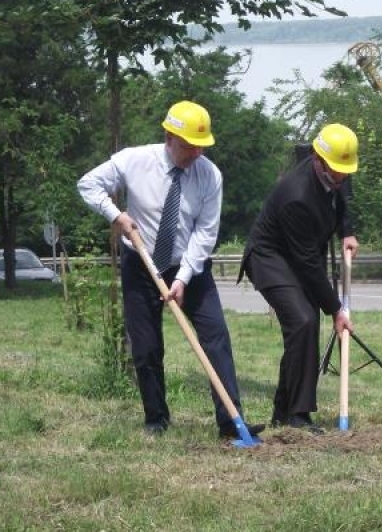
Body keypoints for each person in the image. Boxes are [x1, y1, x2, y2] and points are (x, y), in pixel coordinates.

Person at [77, 100, 263, 440]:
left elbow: (205, 233)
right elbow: (88, 184)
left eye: (200, 147)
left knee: (215, 337)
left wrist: (181, 279)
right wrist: (115, 215)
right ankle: (156, 419)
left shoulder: (209, 175)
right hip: (141, 264)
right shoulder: (134, 160)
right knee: (146, 346)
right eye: (188, 145)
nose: (195, 153)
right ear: (168, 137)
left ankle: (230, 420)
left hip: (190, 267)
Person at [238, 123, 359, 432]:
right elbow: (307, 264)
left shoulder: (336, 166)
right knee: (304, 320)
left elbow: (342, 192)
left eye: (345, 170)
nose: (342, 176)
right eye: (337, 170)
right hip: (270, 257)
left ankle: (285, 410)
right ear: (318, 160)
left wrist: (347, 231)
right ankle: (297, 415)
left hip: (299, 254)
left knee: (304, 327)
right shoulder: (297, 195)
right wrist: (336, 310)